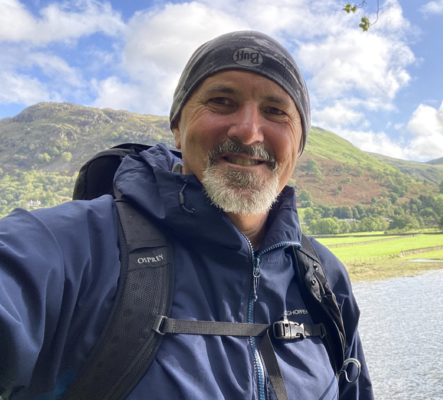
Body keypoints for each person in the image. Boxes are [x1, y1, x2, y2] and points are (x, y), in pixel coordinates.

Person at [0, 31, 373, 399]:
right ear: (177, 127)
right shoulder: (71, 246)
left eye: (275, 111)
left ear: (299, 144)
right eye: (222, 101)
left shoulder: (323, 277)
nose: (248, 132)